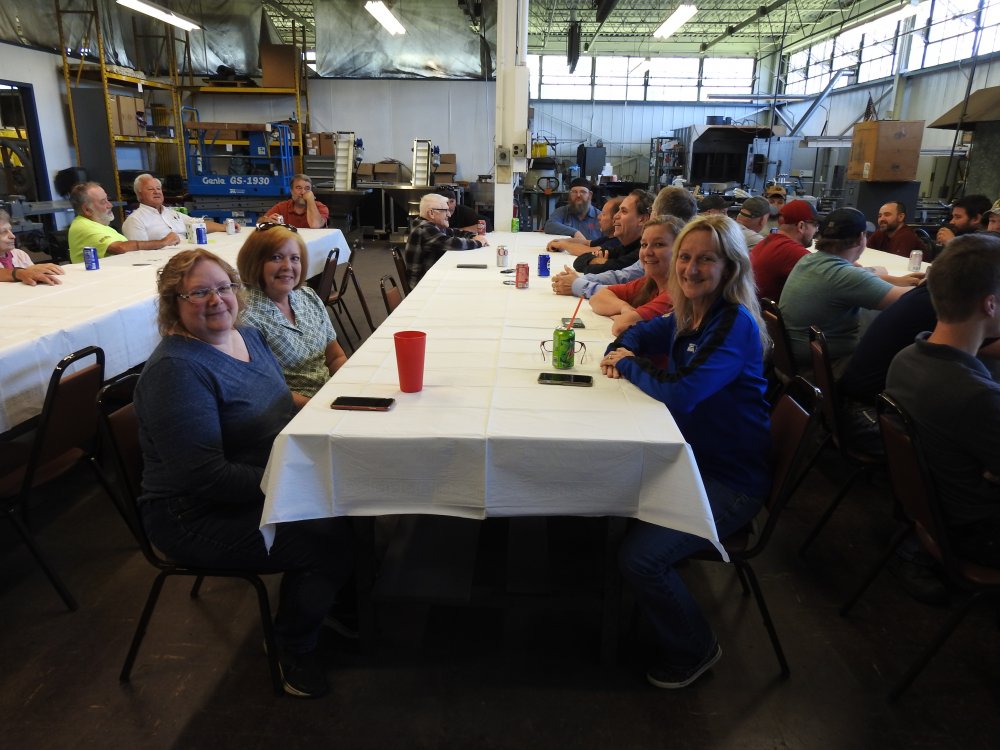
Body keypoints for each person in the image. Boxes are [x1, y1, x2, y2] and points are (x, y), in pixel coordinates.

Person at [133, 248, 353, 698]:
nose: (217, 300)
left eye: (224, 287)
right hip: (193, 514)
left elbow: (278, 403)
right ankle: (293, 649)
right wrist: (296, 481)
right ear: (173, 303)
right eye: (199, 293)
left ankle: (329, 606)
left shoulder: (248, 336)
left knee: (354, 502)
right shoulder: (177, 371)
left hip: (262, 479)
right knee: (326, 539)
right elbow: (206, 478)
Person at [600, 214, 770, 689]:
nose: (691, 269)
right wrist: (624, 347)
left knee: (640, 559)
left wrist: (628, 365)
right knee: (604, 496)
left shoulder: (732, 322)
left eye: (706, 259)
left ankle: (695, 648)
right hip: (692, 460)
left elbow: (684, 393)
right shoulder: (692, 309)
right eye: (686, 257)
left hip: (729, 481)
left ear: (730, 267)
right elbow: (640, 333)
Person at [886, 233, 1000, 567]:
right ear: (990, 305)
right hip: (975, 534)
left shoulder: (906, 358)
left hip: (931, 511)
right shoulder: (977, 397)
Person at [778, 207, 921, 370]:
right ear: (861, 238)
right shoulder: (844, 276)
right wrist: (929, 283)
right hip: (825, 367)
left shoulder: (808, 260)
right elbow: (907, 300)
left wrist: (898, 280)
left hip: (792, 361)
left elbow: (857, 276)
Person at [237, 224, 347, 408]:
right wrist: (319, 409)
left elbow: (335, 357)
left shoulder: (308, 297)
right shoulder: (246, 319)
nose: (287, 266)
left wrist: (350, 388)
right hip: (293, 413)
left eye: (295, 258)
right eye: (276, 257)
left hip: (329, 399)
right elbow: (267, 391)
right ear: (255, 262)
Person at [588, 215, 684, 336]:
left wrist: (624, 317)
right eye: (644, 245)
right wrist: (624, 308)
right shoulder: (649, 283)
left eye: (659, 244)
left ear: (681, 251)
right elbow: (597, 298)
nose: (647, 252)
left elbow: (621, 327)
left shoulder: (675, 294)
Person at [67, 182, 171, 263]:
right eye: (103, 202)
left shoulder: (100, 225)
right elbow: (121, 248)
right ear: (87, 210)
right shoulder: (83, 227)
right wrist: (163, 242)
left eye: (107, 200)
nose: (110, 205)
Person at [404, 192, 487, 287]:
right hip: (422, 285)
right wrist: (478, 242)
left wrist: (472, 236)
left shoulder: (430, 225)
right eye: (445, 211)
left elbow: (454, 232)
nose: (449, 215)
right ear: (431, 213)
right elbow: (453, 243)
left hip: (430, 276)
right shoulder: (424, 229)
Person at [122, 173, 230, 244]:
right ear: (139, 194)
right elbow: (138, 251)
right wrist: (164, 242)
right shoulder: (134, 220)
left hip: (186, 255)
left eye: (158, 188)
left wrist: (226, 227)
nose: (156, 192)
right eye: (150, 189)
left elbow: (199, 224)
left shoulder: (172, 213)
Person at [749, 199, 817, 302]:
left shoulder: (768, 241)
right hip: (764, 311)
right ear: (801, 226)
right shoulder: (794, 252)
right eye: (815, 225)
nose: (817, 230)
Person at [572, 189, 653, 273]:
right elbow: (578, 261)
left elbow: (596, 269)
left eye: (624, 211)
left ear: (642, 219)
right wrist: (599, 262)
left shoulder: (642, 253)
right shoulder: (623, 248)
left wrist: (598, 264)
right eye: (618, 210)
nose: (615, 216)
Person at [0, 209, 64, 285]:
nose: (12, 236)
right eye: (3, 232)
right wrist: (23, 272)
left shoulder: (20, 255)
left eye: (11, 230)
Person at [546, 197, 622, 256]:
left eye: (604, 214)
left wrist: (563, 245)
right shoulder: (609, 238)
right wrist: (561, 241)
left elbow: (590, 251)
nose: (599, 217)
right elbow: (587, 243)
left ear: (616, 218)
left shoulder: (617, 241)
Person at [262, 174, 329, 229]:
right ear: (291, 191)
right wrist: (267, 220)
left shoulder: (321, 207)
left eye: (307, 188)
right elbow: (259, 221)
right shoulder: (282, 207)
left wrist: (310, 200)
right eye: (299, 188)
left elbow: (315, 225)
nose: (303, 192)